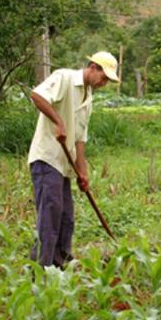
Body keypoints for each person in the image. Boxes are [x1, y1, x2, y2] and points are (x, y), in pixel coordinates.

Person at [27, 52, 119, 268]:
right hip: (47, 157)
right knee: (51, 212)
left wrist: (83, 173)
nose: (104, 83)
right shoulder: (65, 78)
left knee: (66, 216)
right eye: (103, 77)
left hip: (64, 165)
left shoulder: (88, 100)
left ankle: (61, 262)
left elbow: (79, 141)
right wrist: (58, 121)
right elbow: (37, 95)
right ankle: (42, 267)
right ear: (93, 67)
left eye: (107, 80)